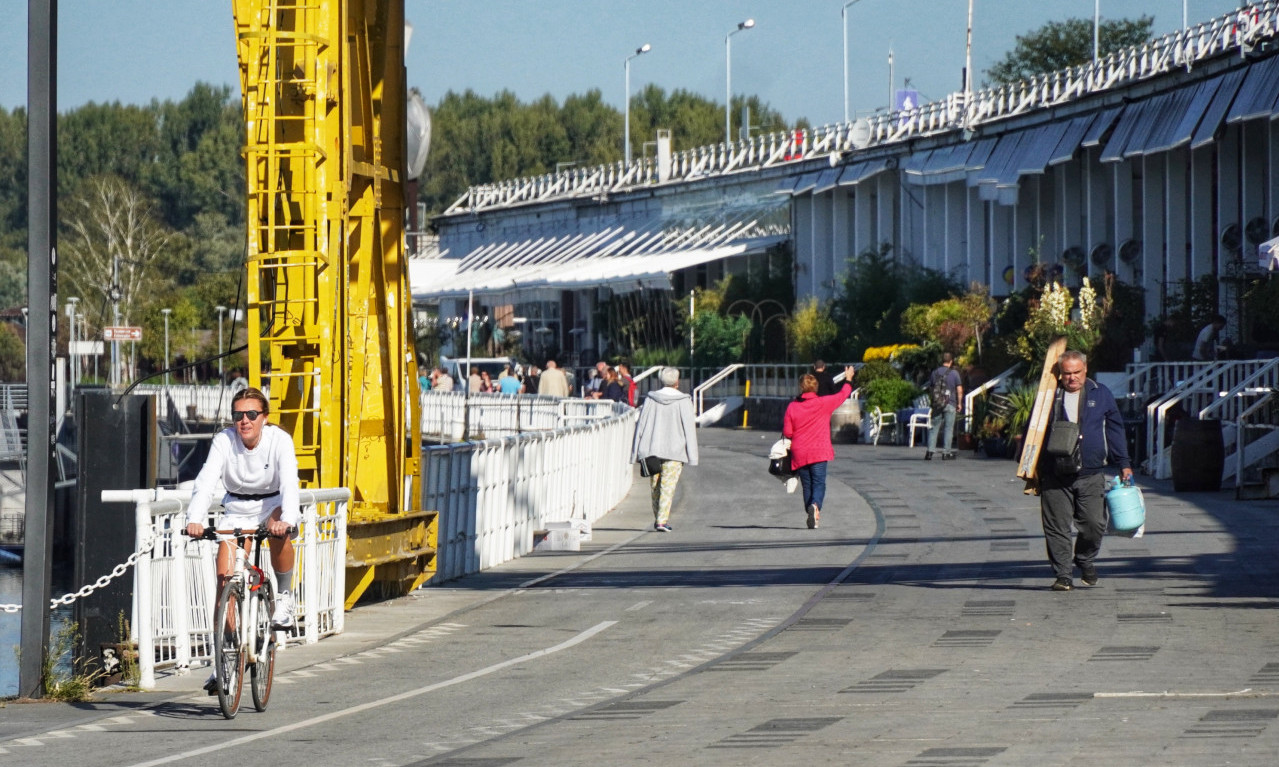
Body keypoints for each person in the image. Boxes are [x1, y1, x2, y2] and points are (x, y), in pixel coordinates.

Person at [184, 388, 300, 692]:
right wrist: (194, 520)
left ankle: (285, 596)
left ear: (264, 417)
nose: (244, 421)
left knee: (278, 531)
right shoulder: (225, 440)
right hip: (236, 509)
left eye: (251, 414)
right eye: (238, 415)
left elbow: (289, 483)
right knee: (225, 585)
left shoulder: (279, 441)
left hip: (271, 505)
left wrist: (288, 519)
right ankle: (224, 662)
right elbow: (206, 480)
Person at [1037, 350, 1133, 592]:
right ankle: (1063, 575)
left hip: (1091, 472)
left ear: (1085, 370)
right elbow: (1033, 433)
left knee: (1094, 524)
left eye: (1076, 372)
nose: (1072, 378)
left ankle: (1085, 559)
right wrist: (1030, 468)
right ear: (1060, 373)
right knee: (1056, 526)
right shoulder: (1048, 396)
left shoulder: (1100, 394)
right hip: (1054, 473)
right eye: (1066, 373)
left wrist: (1124, 463)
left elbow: (1115, 429)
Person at [783, 366, 855, 529]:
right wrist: (848, 378)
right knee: (819, 483)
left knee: (807, 485)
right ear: (815, 387)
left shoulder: (792, 407)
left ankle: (811, 512)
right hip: (819, 451)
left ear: (801, 387)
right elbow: (842, 395)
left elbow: (787, 431)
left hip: (800, 452)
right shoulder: (824, 403)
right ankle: (815, 506)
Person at [631, 367, 698, 532]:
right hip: (675, 451)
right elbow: (689, 429)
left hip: (652, 448)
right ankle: (661, 520)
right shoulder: (684, 401)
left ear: (661, 380)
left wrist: (635, 453)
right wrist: (693, 456)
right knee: (668, 486)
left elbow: (640, 426)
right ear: (677, 381)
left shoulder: (651, 399)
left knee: (655, 486)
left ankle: (659, 518)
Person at [925, 352, 964, 460]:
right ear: (951, 361)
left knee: (934, 428)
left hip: (937, 404)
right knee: (948, 428)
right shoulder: (954, 373)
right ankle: (946, 453)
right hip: (950, 403)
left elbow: (931, 389)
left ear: (942, 361)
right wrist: (959, 403)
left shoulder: (935, 373)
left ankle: (929, 452)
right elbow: (959, 390)